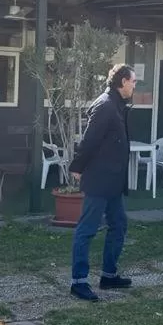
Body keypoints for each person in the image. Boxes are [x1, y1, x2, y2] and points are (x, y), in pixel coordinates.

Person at [66, 64, 137, 301]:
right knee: (87, 230)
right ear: (123, 81)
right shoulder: (105, 105)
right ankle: (78, 282)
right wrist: (77, 166)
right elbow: (89, 141)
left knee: (119, 225)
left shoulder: (118, 105)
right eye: (134, 82)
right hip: (99, 179)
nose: (135, 86)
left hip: (113, 181)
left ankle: (108, 275)